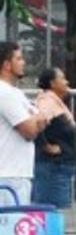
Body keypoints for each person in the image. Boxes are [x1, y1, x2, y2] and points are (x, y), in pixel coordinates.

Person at [0, 42, 46, 206]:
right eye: (18, 59)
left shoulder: (17, 93)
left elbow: (42, 118)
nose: (23, 62)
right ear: (6, 65)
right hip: (8, 176)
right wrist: (37, 119)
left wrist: (37, 119)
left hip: (19, 173)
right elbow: (30, 130)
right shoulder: (4, 93)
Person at [32, 68, 76, 209]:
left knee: (55, 213)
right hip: (52, 169)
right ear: (52, 83)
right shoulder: (47, 101)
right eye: (62, 78)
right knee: (50, 214)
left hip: (60, 168)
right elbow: (36, 122)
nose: (66, 82)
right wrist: (46, 146)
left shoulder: (56, 101)